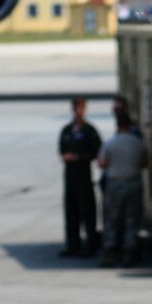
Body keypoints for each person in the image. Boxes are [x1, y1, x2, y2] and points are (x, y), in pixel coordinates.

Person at [96, 109, 148, 266]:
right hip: (133, 182)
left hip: (115, 184)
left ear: (118, 125)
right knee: (131, 218)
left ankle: (109, 251)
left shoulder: (111, 143)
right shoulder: (137, 143)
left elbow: (101, 163)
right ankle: (129, 252)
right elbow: (144, 162)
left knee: (112, 218)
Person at [58, 98, 102, 258]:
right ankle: (72, 244)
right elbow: (61, 150)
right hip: (70, 177)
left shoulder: (89, 130)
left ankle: (90, 244)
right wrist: (66, 157)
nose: (79, 111)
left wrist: (78, 157)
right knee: (71, 211)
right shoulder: (66, 130)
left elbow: (97, 151)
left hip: (84, 175)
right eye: (77, 108)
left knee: (88, 211)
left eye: (82, 108)